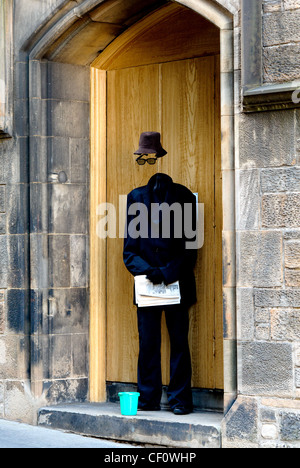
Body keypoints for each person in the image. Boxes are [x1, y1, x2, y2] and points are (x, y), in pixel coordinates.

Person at [123, 132, 198, 415]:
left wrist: (165, 273)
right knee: (148, 344)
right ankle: (148, 399)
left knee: (180, 344)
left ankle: (181, 400)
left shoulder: (184, 197)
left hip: (176, 283)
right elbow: (129, 250)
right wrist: (150, 272)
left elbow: (190, 249)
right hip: (146, 286)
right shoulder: (135, 198)